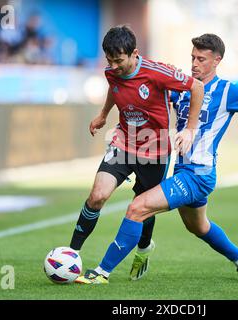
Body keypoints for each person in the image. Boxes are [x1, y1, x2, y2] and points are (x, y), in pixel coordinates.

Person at [75, 33, 238, 284]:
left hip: (198, 174)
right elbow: (148, 95)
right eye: (192, 57)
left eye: (201, 59)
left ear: (217, 60)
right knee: (198, 227)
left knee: (137, 207)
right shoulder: (182, 89)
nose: (194, 63)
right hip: (181, 169)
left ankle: (101, 272)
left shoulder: (229, 91)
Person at [68, 25, 204, 279]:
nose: (113, 66)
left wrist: (190, 130)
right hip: (124, 143)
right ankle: (71, 254)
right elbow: (114, 85)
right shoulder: (112, 71)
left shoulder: (157, 72)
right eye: (109, 61)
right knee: (97, 196)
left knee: (143, 206)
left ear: (134, 54)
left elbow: (197, 87)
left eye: (119, 60)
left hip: (155, 150)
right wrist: (103, 115)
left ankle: (143, 248)